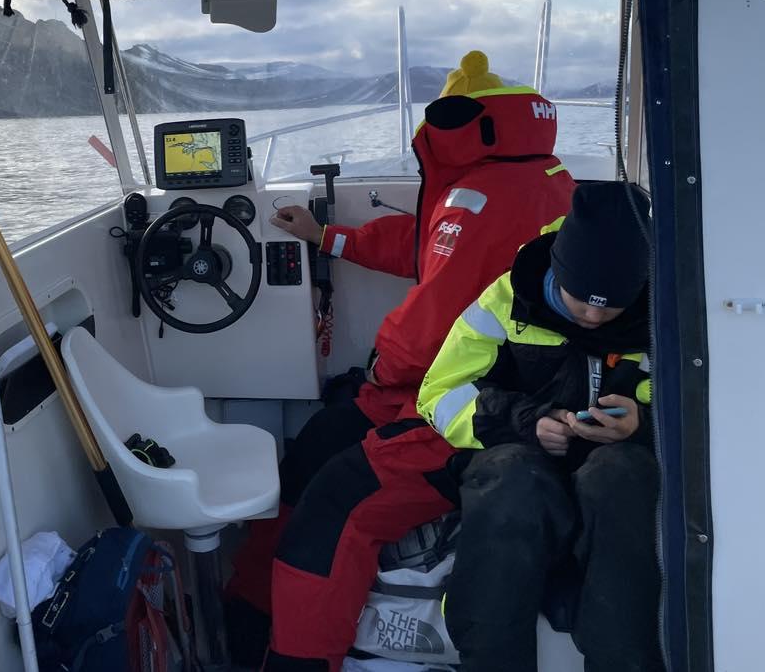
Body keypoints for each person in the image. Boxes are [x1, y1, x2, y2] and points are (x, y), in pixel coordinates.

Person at [224, 51, 575, 670]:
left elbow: (431, 316)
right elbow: (426, 247)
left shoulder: (482, 194)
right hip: (483, 382)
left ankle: (275, 646)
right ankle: (253, 612)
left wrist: (380, 371)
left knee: (335, 503)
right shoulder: (540, 179)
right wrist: (327, 236)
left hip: (474, 401)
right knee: (315, 445)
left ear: (461, 123)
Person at [417, 180, 661, 672]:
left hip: (616, 468)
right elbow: (439, 394)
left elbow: (707, 411)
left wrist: (642, 425)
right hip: (518, 456)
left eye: (612, 304)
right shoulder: (505, 300)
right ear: (558, 271)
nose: (594, 315)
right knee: (512, 479)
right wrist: (529, 422)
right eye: (581, 299)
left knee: (620, 477)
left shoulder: (666, 316)